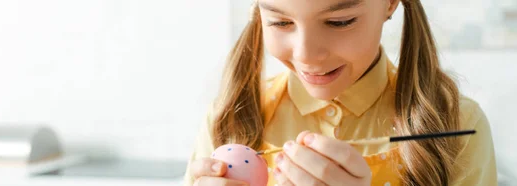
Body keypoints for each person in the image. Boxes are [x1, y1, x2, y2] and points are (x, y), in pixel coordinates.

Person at [185, 0, 497, 185]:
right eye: (280, 22)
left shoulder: (453, 125)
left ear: (389, 3)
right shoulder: (228, 118)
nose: (307, 55)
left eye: (339, 21)